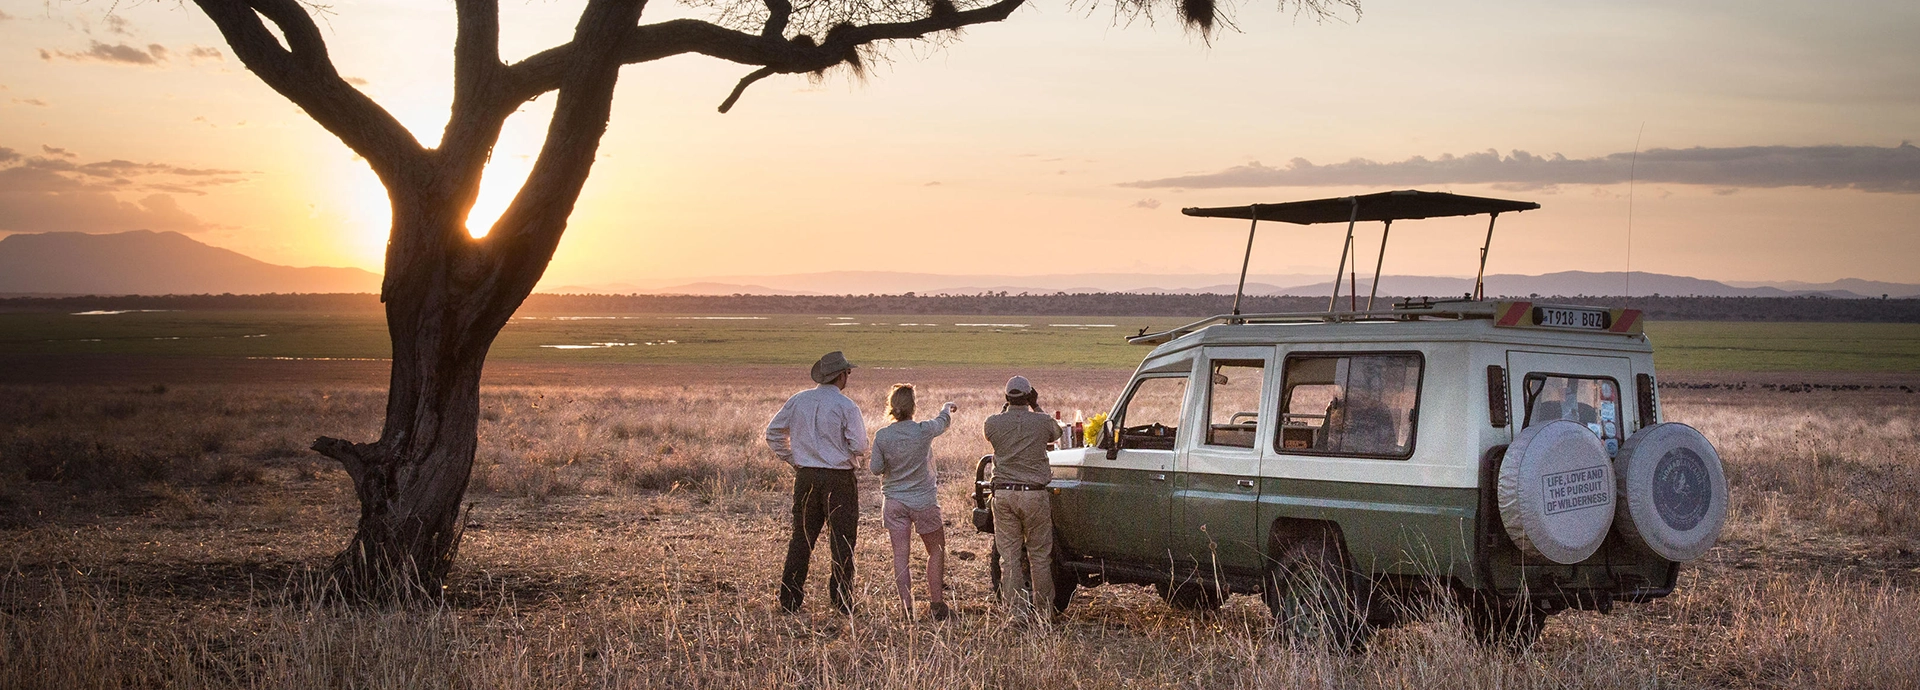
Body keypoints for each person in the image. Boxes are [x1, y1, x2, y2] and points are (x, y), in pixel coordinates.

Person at [765, 351, 869, 614]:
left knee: (801, 538)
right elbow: (859, 445)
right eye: (848, 372)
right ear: (841, 375)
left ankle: (790, 599)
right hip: (839, 479)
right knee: (843, 541)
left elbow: (773, 433)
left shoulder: (799, 400)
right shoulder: (847, 406)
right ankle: (842, 600)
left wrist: (794, 459)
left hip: (807, 476)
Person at [869, 384, 957, 621]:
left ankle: (908, 609)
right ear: (913, 406)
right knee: (936, 550)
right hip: (924, 501)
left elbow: (875, 468)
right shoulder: (923, 430)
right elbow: (942, 422)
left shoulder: (882, 436)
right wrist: (946, 408)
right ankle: (937, 604)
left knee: (901, 555)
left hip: (895, 501)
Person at [983, 375, 1062, 624]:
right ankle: (1043, 613)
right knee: (1039, 555)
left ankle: (1016, 614)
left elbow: (992, 431)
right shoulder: (1040, 422)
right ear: (1029, 397)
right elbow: (1056, 433)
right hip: (1034, 494)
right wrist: (1036, 406)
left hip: (1004, 494)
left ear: (1006, 398)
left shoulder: (993, 423)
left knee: (1010, 556)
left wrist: (1007, 408)